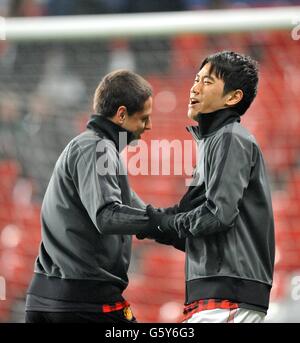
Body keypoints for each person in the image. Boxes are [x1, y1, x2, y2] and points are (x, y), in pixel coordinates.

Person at [24, 69, 201, 323]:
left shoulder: (91, 148)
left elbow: (143, 215)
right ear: (121, 115)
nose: (149, 126)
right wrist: (163, 221)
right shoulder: (97, 147)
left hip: (47, 296)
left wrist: (182, 232)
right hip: (84, 299)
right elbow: (107, 216)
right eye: (144, 118)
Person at [141, 51, 275, 323]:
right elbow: (187, 224)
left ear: (233, 97)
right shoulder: (213, 143)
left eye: (208, 81)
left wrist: (160, 223)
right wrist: (146, 222)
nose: (195, 86)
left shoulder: (230, 139)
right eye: (196, 78)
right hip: (216, 295)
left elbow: (217, 215)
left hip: (229, 295)